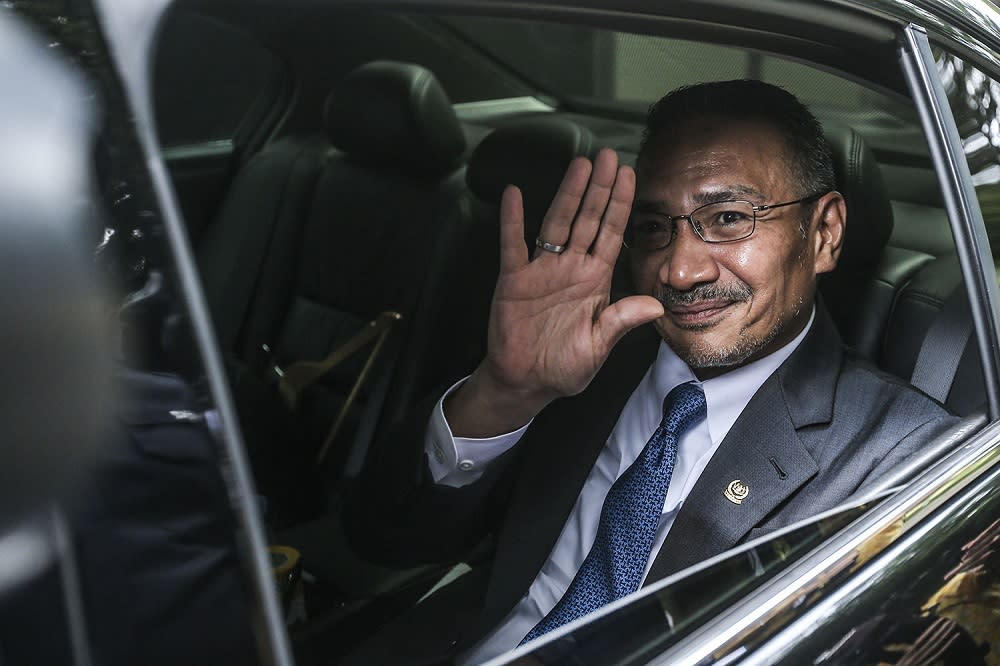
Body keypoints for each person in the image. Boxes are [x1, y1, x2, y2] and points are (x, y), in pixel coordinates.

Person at [344, 80, 957, 665]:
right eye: (654, 227)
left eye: (728, 219)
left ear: (824, 233)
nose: (680, 270)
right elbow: (382, 538)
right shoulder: (587, 355)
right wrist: (505, 394)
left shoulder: (903, 460)